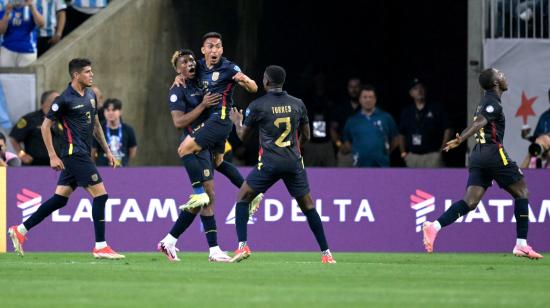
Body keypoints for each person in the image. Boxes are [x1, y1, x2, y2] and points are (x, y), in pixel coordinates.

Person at [7, 58, 125, 259]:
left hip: (81, 154)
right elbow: (45, 126)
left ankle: (21, 230)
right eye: (87, 72)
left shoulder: (90, 95)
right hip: (74, 154)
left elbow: (96, 124)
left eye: (91, 71)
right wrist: (53, 155)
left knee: (59, 200)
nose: (91, 74)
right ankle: (100, 246)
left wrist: (107, 151)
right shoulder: (63, 100)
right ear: (76, 75)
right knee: (101, 196)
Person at [423, 68, 543, 259]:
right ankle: (521, 244)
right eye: (500, 75)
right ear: (495, 83)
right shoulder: (492, 102)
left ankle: (434, 226)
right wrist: (461, 139)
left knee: (470, 202)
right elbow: (479, 122)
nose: (504, 76)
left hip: (479, 156)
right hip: (493, 153)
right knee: (522, 192)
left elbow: (481, 122)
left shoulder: (485, 102)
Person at [159, 49, 262, 262]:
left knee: (210, 193)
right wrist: (203, 105)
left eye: (191, 60)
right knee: (205, 197)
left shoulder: (199, 81)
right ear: (177, 69)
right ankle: (208, 247)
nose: (190, 64)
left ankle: (172, 241)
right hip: (193, 145)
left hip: (207, 142)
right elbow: (178, 122)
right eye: (184, 62)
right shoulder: (176, 91)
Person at [228, 65, 335, 264]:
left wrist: (237, 121)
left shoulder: (258, 105)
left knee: (243, 197)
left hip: (269, 163)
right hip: (293, 162)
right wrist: (293, 152)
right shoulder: (298, 104)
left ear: (266, 82)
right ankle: (327, 254)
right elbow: (307, 136)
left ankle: (242, 246)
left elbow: (243, 136)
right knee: (308, 206)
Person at [175, 32, 258, 210]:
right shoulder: (198, 67)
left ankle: (198, 193)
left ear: (222, 49)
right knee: (218, 162)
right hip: (215, 121)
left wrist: (246, 81)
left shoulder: (229, 68)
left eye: (218, 46)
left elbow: (253, 87)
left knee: (184, 149)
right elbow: (185, 72)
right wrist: (178, 77)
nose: (215, 50)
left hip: (219, 119)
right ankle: (253, 194)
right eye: (211, 46)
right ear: (203, 50)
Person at [340, 85, 399, 167]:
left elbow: (396, 138)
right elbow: (346, 140)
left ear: (375, 99)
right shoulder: (352, 120)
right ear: (360, 99)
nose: (368, 100)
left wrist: (387, 152)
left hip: (381, 165)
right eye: (365, 97)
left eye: (371, 97)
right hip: (359, 166)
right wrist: (355, 152)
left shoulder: (386, 117)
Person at [399, 79, 452, 168]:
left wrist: (441, 150)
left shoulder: (436, 108)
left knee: (435, 181)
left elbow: (449, 129)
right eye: (416, 89)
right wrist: (403, 153)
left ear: (425, 90)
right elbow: (401, 134)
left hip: (432, 156)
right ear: (411, 93)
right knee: (413, 181)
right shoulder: (407, 112)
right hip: (413, 156)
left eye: (421, 88)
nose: (419, 91)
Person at [9, 90, 64, 165]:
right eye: (56, 100)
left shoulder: (61, 119)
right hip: (34, 166)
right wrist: (22, 154)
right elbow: (14, 137)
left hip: (57, 165)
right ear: (44, 103)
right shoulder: (30, 119)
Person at [302, 73, 336, 166]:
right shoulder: (307, 98)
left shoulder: (330, 97)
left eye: (321, 80)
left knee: (331, 172)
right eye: (317, 80)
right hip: (311, 143)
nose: (319, 83)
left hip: (327, 142)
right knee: (310, 172)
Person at [91, 98, 137, 167]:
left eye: (114, 110)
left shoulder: (128, 130)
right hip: (103, 169)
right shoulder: (98, 129)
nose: (110, 113)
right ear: (104, 112)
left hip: (123, 169)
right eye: (108, 110)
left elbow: (132, 152)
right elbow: (93, 151)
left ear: (120, 112)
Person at [0, 0, 45, 67]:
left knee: (26, 76)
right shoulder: (6, 7)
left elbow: (41, 24)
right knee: (6, 76)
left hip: (27, 49)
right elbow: (1, 31)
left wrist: (32, 7)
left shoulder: (33, 6)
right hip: (7, 48)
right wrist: (7, 13)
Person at [332, 77, 361, 167]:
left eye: (356, 87)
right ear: (347, 89)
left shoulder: (366, 108)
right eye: (351, 87)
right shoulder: (341, 108)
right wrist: (340, 145)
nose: (354, 90)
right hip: (346, 153)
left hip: (364, 152)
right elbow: (333, 129)